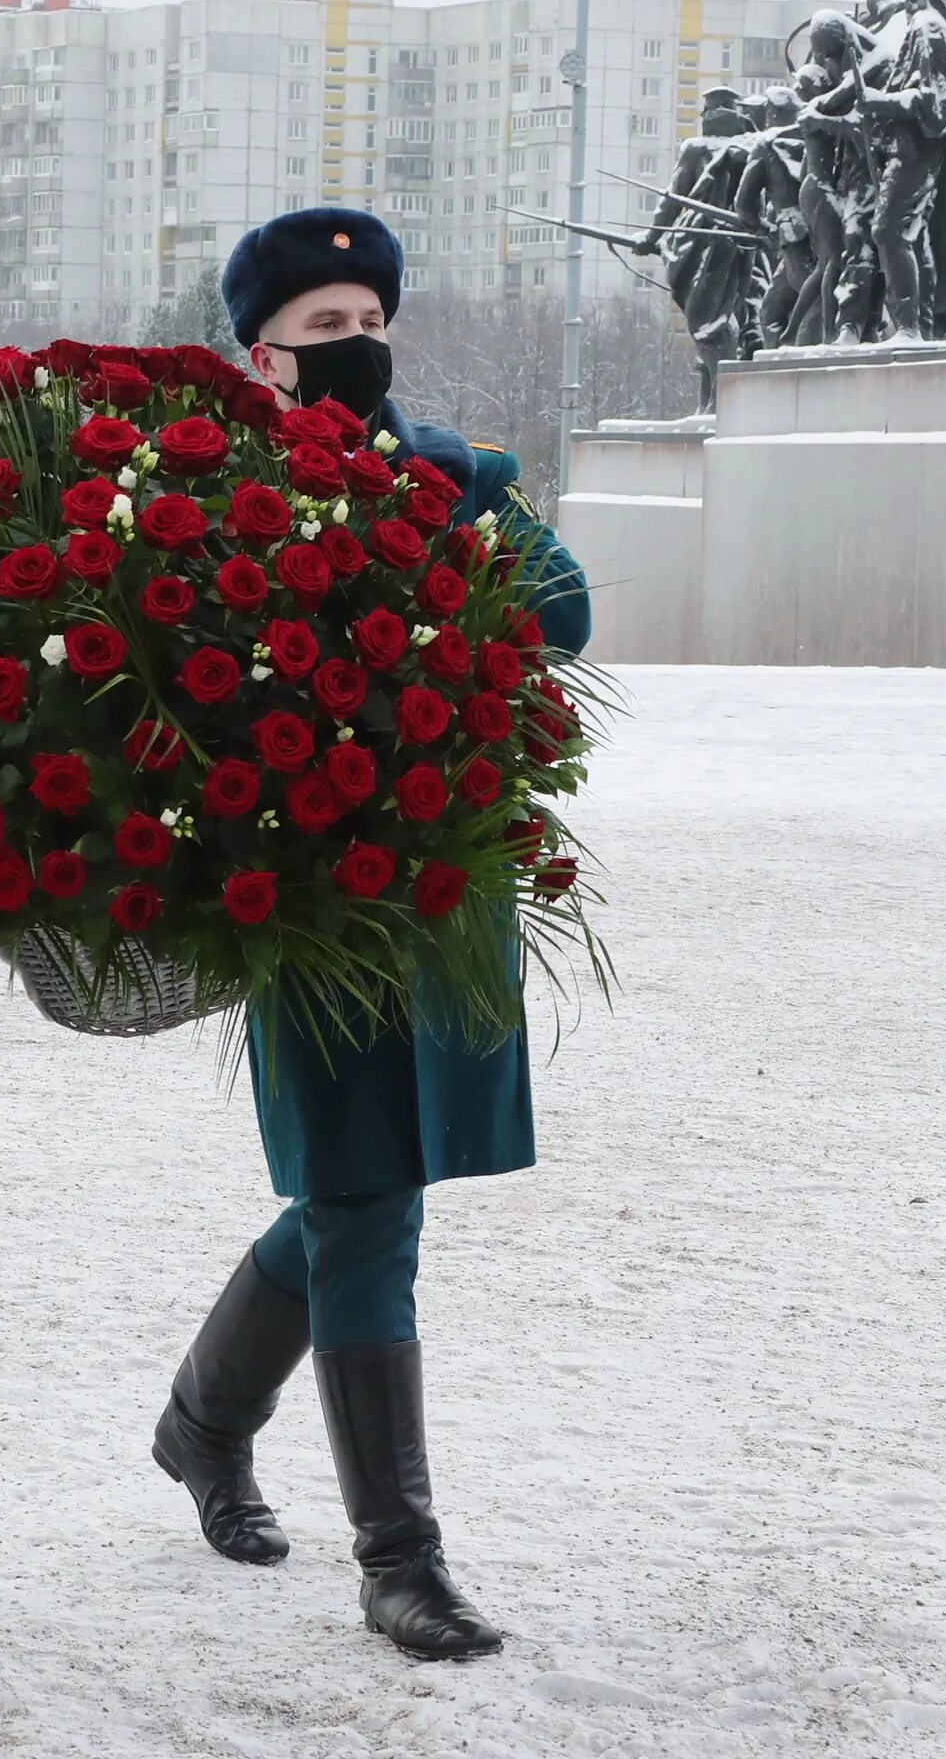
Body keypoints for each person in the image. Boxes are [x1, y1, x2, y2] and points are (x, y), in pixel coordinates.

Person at [147, 206, 592, 1664]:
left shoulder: (454, 469)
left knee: (376, 1193)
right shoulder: (198, 494)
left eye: (367, 321)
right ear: (257, 355)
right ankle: (399, 1559)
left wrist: (445, 516)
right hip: (304, 893)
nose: (353, 347)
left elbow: (566, 608)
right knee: (360, 1199)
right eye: (320, 328)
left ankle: (204, 1421)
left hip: (438, 880)